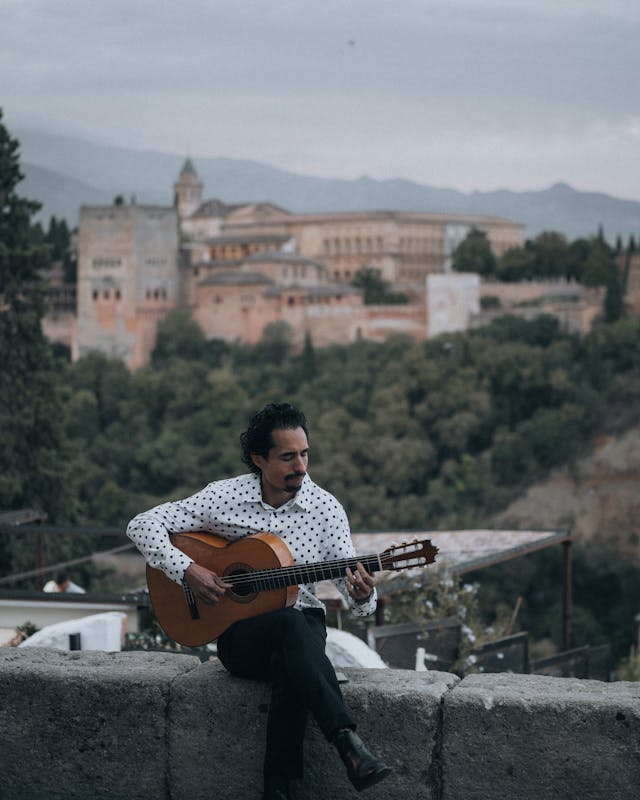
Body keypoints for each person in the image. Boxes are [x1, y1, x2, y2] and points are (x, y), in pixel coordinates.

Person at [126, 402, 391, 799]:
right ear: (258, 459)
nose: (300, 466)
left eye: (304, 454)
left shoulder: (326, 510)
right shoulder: (224, 497)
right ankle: (346, 742)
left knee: (293, 641)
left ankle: (280, 788)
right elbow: (141, 525)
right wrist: (188, 571)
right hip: (239, 634)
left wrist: (364, 594)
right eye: (287, 457)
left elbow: (355, 597)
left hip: (302, 630)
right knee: (290, 628)